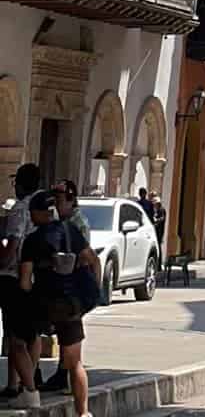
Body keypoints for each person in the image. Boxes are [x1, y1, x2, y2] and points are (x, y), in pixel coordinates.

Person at [17, 188, 98, 417]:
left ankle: (30, 390)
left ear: (41, 213)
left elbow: (24, 282)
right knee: (75, 363)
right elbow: (91, 259)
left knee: (19, 342)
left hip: (44, 303)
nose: (31, 216)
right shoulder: (70, 230)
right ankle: (82, 413)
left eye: (33, 212)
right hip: (71, 303)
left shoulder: (33, 240)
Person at [0, 163, 42, 409]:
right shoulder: (45, 209)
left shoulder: (20, 209)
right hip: (38, 279)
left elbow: (13, 245)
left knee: (15, 339)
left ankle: (26, 388)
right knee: (32, 335)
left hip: (15, 278)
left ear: (22, 184)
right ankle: (22, 384)